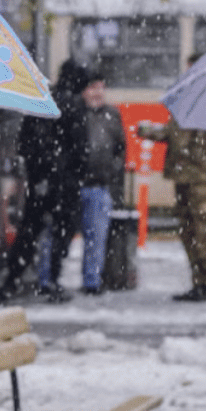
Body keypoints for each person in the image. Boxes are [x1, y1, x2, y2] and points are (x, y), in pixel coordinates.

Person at [137, 54, 206, 302]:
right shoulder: (188, 99)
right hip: (184, 174)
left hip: (203, 176)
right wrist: (152, 133)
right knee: (189, 231)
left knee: (204, 230)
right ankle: (200, 282)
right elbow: (176, 134)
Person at [0, 59, 89, 303]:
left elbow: (24, 142)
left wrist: (38, 173)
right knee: (61, 233)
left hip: (39, 180)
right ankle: (52, 282)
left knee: (29, 232)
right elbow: (81, 148)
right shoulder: (76, 105)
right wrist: (75, 173)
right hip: (64, 182)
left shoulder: (43, 100)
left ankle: (11, 281)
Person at [74, 70, 128, 295]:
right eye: (93, 88)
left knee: (96, 237)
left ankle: (92, 281)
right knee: (60, 236)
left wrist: (111, 173)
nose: (98, 93)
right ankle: (49, 280)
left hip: (99, 184)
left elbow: (120, 148)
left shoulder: (111, 115)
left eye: (101, 87)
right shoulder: (76, 114)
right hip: (75, 184)